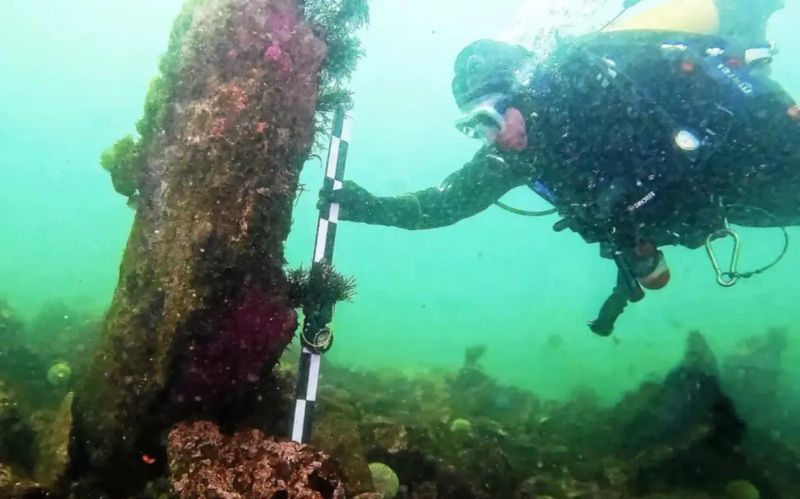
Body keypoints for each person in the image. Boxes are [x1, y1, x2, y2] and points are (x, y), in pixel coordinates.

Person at [319, 0, 799, 335]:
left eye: (493, 115)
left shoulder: (594, 78)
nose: (494, 135)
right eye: (475, 126)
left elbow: (723, 83)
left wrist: (779, 127)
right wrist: (368, 206)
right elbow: (447, 203)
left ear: (519, 90)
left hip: (753, 159)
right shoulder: (515, 154)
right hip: (724, 205)